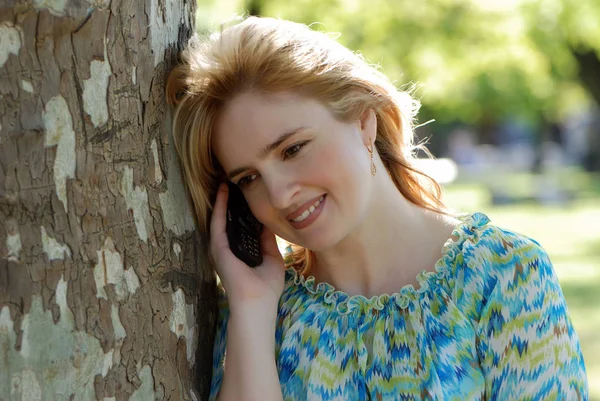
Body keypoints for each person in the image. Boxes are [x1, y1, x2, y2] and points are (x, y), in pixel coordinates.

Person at [165, 16, 588, 401]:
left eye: (293, 149)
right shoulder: (255, 310)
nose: (278, 196)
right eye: (248, 179)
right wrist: (254, 309)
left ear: (363, 120)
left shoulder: (504, 276)